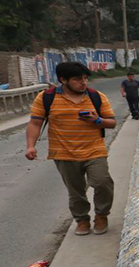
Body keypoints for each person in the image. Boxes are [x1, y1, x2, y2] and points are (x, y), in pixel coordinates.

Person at [24, 62, 117, 236]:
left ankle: (101, 215)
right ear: (63, 80)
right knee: (76, 191)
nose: (83, 82)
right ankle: (81, 220)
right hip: (63, 152)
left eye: (85, 78)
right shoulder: (46, 98)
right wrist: (30, 146)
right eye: (77, 79)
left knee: (103, 183)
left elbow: (111, 122)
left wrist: (97, 121)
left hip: (94, 150)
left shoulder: (97, 97)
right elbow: (35, 123)